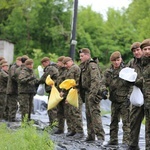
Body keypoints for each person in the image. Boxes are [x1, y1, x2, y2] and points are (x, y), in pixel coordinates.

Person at [102, 51, 132, 148]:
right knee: (113, 121)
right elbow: (103, 83)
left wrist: (129, 97)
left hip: (124, 100)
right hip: (114, 100)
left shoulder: (126, 70)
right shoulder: (108, 72)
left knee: (126, 122)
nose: (116, 62)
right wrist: (103, 91)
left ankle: (126, 141)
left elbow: (132, 84)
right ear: (111, 61)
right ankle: (113, 139)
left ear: (121, 59)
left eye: (118, 60)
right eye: (114, 61)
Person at [78, 48, 105, 143]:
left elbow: (95, 80)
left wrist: (92, 94)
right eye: (80, 56)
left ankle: (100, 137)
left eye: (82, 56)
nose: (80, 58)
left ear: (87, 55)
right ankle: (91, 135)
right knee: (88, 115)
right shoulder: (84, 66)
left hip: (92, 92)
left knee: (95, 115)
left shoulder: (92, 65)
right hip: (86, 92)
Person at [60, 56, 83, 138]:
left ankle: (79, 131)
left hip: (75, 92)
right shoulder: (68, 70)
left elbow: (78, 81)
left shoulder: (76, 68)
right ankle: (73, 130)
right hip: (69, 93)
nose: (65, 65)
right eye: (64, 64)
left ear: (71, 61)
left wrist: (76, 88)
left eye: (66, 63)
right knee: (69, 112)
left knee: (76, 112)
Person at [127, 42, 144, 150]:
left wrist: (136, 81)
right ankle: (133, 145)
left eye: (138, 50)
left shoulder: (147, 61)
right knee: (134, 120)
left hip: (147, 94)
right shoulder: (132, 62)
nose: (136, 52)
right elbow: (127, 75)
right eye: (134, 51)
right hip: (137, 95)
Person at [137, 39, 150, 150]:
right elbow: (145, 81)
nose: (147, 51)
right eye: (145, 49)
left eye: (149, 49)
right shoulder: (145, 63)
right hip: (147, 101)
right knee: (148, 128)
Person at [38, 57, 59, 125]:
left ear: (46, 62)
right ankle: (52, 123)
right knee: (51, 107)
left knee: (52, 107)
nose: (43, 65)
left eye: (43, 64)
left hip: (53, 89)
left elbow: (44, 78)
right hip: (53, 90)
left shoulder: (50, 68)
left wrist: (36, 82)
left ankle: (54, 124)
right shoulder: (53, 67)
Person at [6, 56, 22, 122]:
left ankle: (12, 117)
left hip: (15, 89)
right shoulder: (13, 67)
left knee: (14, 105)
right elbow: (13, 77)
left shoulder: (17, 68)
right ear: (17, 61)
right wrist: (20, 80)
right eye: (20, 62)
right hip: (12, 89)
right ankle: (11, 118)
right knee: (13, 105)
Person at [54, 56, 67, 134]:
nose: (57, 63)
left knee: (67, 112)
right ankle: (60, 128)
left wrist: (63, 92)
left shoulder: (66, 71)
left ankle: (71, 129)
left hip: (64, 93)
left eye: (58, 62)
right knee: (59, 111)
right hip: (59, 93)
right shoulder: (59, 71)